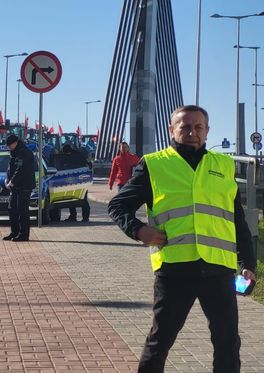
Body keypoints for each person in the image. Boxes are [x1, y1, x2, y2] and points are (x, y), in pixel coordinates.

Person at [107, 105, 257, 372]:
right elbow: (118, 206)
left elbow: (237, 220)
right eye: (185, 126)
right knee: (160, 341)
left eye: (198, 127)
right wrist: (139, 231)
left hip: (218, 269)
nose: (192, 132)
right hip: (175, 268)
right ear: (171, 130)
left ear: (207, 131)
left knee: (227, 343)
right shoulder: (153, 165)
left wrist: (247, 263)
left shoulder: (223, 165)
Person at [3, 134, 35, 242]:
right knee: (12, 209)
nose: (8, 147)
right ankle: (14, 232)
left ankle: (24, 234)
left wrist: (12, 181)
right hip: (15, 187)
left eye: (10, 145)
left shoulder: (24, 153)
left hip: (24, 186)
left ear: (15, 142)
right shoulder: (14, 153)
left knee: (22, 210)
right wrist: (8, 179)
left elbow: (21, 169)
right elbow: (10, 168)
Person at [60, 143, 90, 222]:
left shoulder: (69, 157)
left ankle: (73, 216)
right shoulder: (80, 155)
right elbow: (88, 165)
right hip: (82, 180)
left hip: (71, 180)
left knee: (71, 199)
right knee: (83, 199)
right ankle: (85, 217)